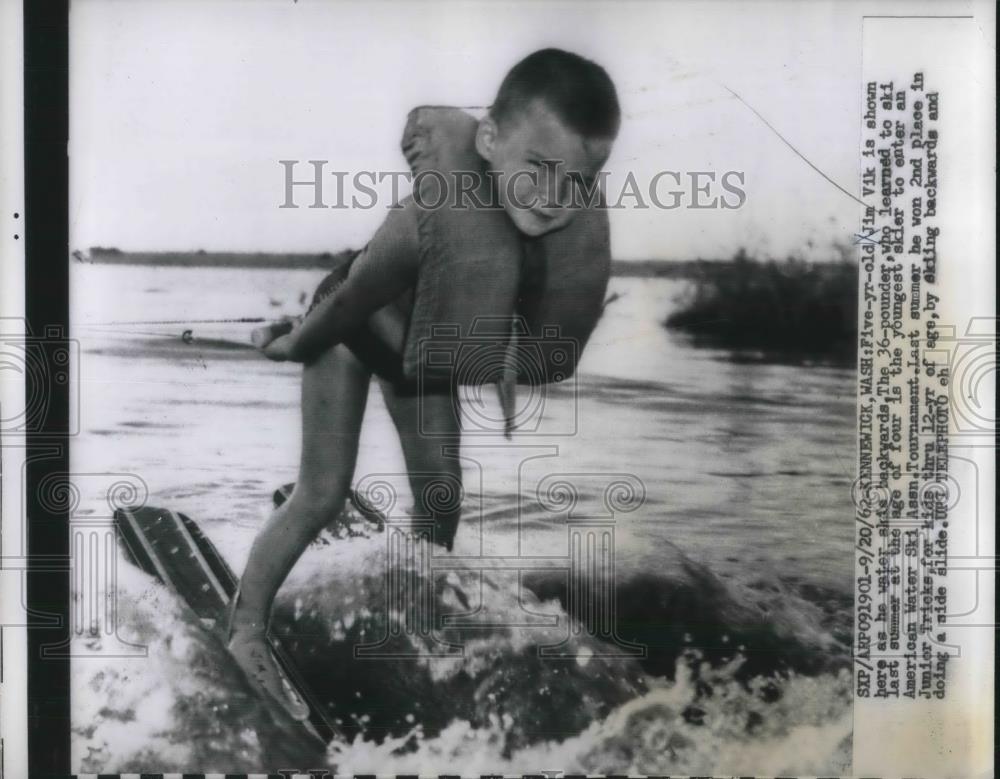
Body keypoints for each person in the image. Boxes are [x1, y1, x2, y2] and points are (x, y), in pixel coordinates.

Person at [229, 48, 621, 718]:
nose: (556, 198)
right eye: (541, 169)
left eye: (577, 184)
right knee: (321, 492)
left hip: (423, 360)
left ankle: (411, 622)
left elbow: (513, 320)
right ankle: (245, 628)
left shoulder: (541, 237)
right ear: (490, 142)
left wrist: (505, 363)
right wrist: (298, 342)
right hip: (354, 336)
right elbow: (353, 298)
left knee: (440, 503)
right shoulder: (420, 221)